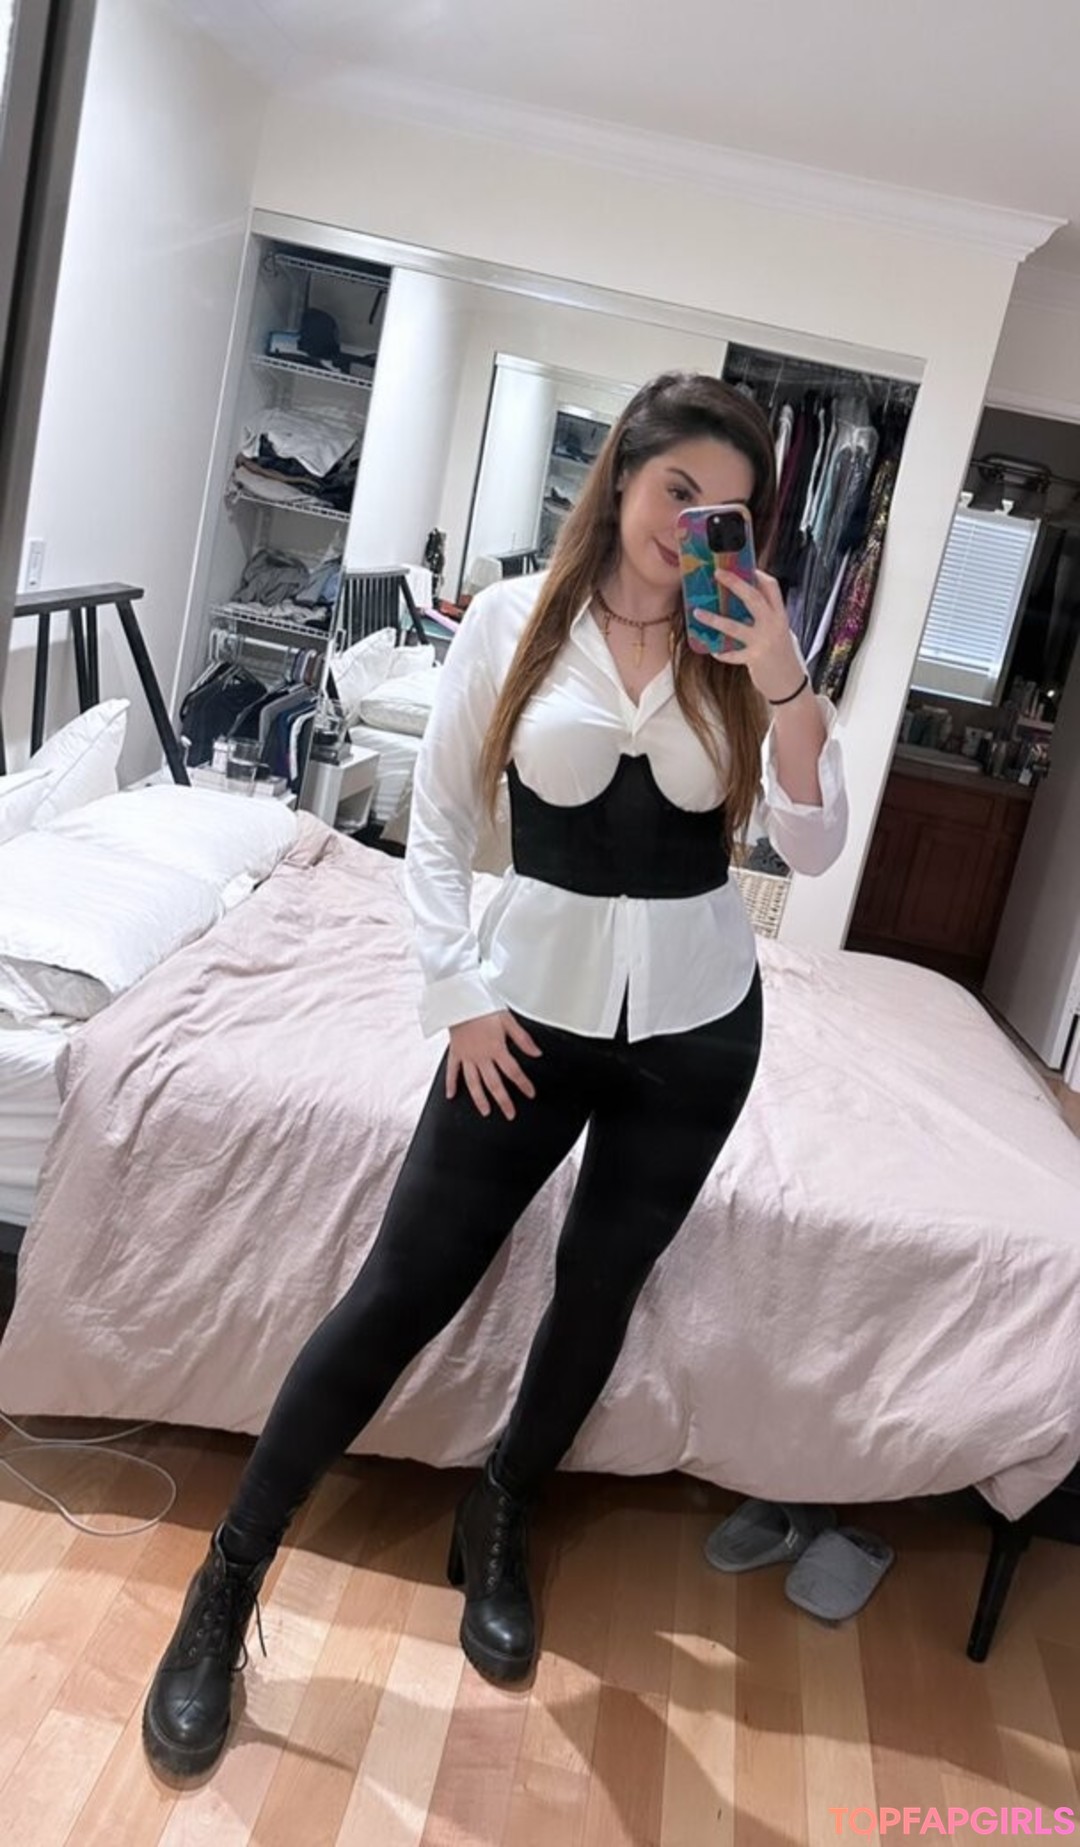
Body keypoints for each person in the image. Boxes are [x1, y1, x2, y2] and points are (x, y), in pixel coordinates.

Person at [142, 371, 848, 1779]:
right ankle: (227, 1579)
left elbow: (817, 851)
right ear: (624, 475)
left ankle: (504, 1506)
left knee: (599, 1291)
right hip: (523, 1015)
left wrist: (784, 676)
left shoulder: (742, 648)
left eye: (725, 511)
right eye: (677, 491)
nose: (693, 527)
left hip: (699, 1030)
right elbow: (441, 826)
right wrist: (457, 994)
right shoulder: (517, 620)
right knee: (402, 1289)